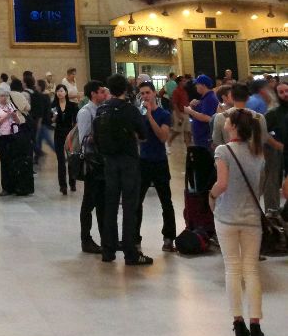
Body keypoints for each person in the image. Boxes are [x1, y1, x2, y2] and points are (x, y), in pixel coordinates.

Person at [209, 108, 266, 336]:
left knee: (232, 268)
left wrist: (211, 195)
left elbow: (222, 183)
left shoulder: (223, 151)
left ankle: (238, 322)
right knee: (251, 270)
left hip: (227, 216)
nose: (224, 119)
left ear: (232, 126)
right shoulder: (258, 153)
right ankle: (256, 324)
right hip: (252, 219)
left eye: (228, 118)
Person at [94, 73, 151, 265]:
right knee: (129, 206)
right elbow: (143, 135)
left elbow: (96, 137)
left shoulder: (102, 110)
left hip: (109, 162)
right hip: (128, 162)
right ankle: (130, 252)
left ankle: (108, 250)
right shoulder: (130, 110)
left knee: (110, 206)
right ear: (126, 89)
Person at [135, 80, 176, 253]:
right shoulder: (139, 114)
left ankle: (169, 238)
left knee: (166, 201)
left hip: (159, 161)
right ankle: (135, 238)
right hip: (143, 162)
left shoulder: (164, 114)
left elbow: (162, 137)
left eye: (147, 92)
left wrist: (150, 116)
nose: (145, 96)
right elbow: (138, 138)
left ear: (154, 94)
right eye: (142, 93)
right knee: (137, 202)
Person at [75, 81, 107, 254]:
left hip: (102, 162)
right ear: (93, 94)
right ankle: (85, 239)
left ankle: (106, 238)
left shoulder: (102, 110)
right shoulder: (85, 112)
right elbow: (84, 139)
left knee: (102, 203)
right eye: (101, 92)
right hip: (92, 163)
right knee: (89, 202)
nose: (104, 94)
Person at [0, 83, 25, 196]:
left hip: (12, 136)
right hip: (1, 137)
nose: (4, 98)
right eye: (2, 96)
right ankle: (6, 187)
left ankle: (14, 186)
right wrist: (6, 116)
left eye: (6, 95)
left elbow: (18, 122)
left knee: (13, 161)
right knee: (5, 162)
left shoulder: (10, 105)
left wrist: (14, 116)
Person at [51, 83, 78, 194]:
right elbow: (50, 120)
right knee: (61, 160)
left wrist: (74, 132)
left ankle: (72, 182)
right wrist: (54, 118)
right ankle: (63, 186)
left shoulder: (72, 105)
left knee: (71, 158)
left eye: (62, 91)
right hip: (58, 134)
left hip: (69, 134)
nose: (60, 93)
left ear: (66, 92)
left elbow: (76, 121)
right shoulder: (53, 106)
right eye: (58, 91)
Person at [186, 74, 220, 149]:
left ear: (203, 85)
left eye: (197, 84)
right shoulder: (205, 98)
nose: (196, 86)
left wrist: (190, 111)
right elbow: (199, 114)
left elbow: (207, 118)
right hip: (201, 137)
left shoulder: (209, 98)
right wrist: (192, 106)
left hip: (205, 139)